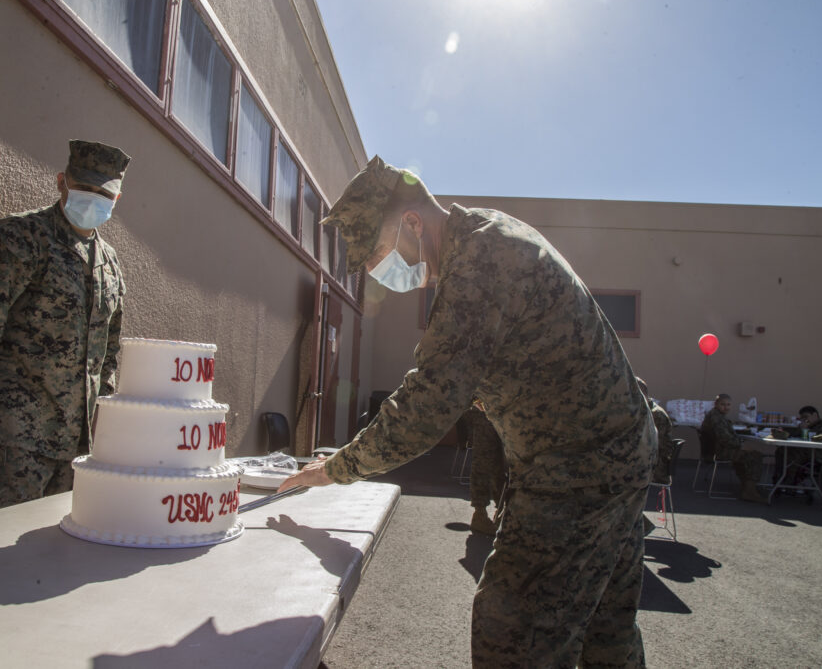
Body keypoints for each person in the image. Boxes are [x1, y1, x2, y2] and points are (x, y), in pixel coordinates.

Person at [278, 156, 656, 667]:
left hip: (577, 468)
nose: (384, 275)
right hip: (613, 451)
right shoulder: (485, 234)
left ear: (412, 222)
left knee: (514, 630)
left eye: (381, 257)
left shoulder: (478, 265)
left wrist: (335, 469)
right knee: (603, 629)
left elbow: (426, 404)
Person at [0, 140, 130, 513]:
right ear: (62, 182)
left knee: (56, 557)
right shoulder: (20, 238)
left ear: (116, 199)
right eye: (83, 187)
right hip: (16, 439)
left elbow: (108, 352)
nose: (93, 198)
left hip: (78, 446)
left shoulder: (109, 264)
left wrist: (104, 427)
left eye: (103, 193)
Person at [699, 393, 766, 502]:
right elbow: (724, 438)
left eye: (728, 405)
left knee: (748, 455)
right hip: (719, 452)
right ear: (716, 404)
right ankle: (749, 491)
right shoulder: (716, 417)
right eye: (723, 404)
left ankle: (747, 487)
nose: (726, 407)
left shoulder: (717, 415)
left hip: (718, 450)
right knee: (755, 456)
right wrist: (741, 445)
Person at [459, 399, 506, 536]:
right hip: (483, 413)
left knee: (502, 465)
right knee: (483, 462)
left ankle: (501, 512)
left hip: (504, 411)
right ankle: (480, 514)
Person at [776, 405, 822, 485]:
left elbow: (820, 437)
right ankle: (779, 478)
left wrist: (805, 430)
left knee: (793, 454)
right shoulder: (810, 425)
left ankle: (789, 481)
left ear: (815, 415)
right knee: (781, 451)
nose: (804, 420)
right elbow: (796, 434)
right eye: (802, 418)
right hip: (810, 450)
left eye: (806, 417)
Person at [636, 378, 672, 484]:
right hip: (648, 460)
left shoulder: (655, 415)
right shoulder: (645, 410)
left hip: (656, 466)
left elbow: (655, 447)